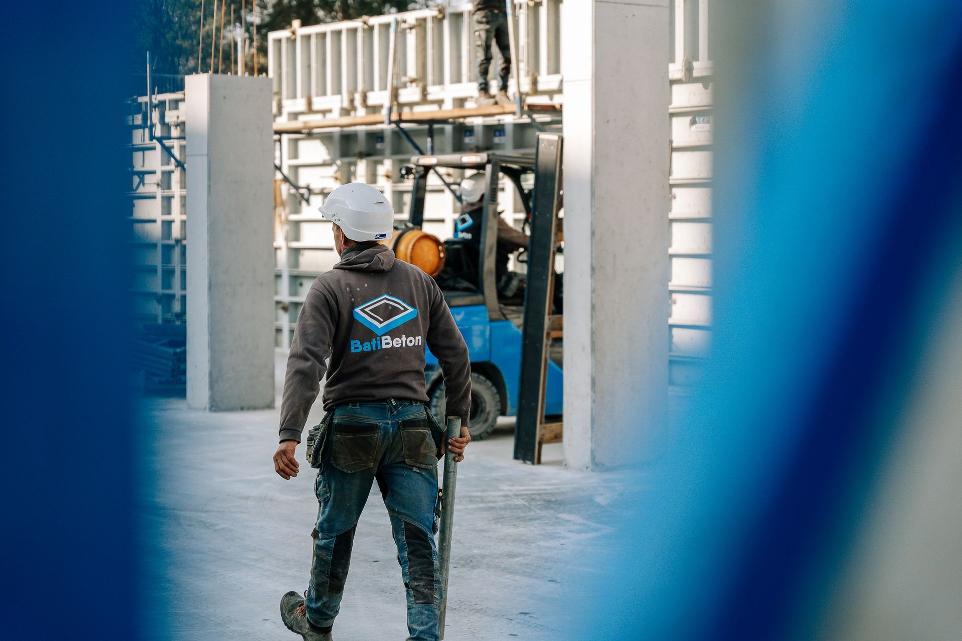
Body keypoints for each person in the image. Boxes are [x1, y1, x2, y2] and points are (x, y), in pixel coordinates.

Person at [273, 182, 473, 641]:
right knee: (418, 542)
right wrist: (456, 424)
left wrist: (289, 433)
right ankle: (424, 635)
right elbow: (456, 357)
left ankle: (317, 621)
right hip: (413, 432)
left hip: (352, 431)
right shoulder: (420, 283)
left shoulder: (329, 288)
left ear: (342, 235)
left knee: (336, 533)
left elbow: (307, 362)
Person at [451, 172, 528, 295]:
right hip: (495, 281)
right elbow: (518, 239)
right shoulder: (489, 219)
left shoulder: (462, 219)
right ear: (485, 194)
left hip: (470, 280)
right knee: (538, 285)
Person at [473, 0, 512, 101]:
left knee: (506, 55)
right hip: (484, 10)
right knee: (484, 54)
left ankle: (502, 91)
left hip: (501, 10)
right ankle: (483, 92)